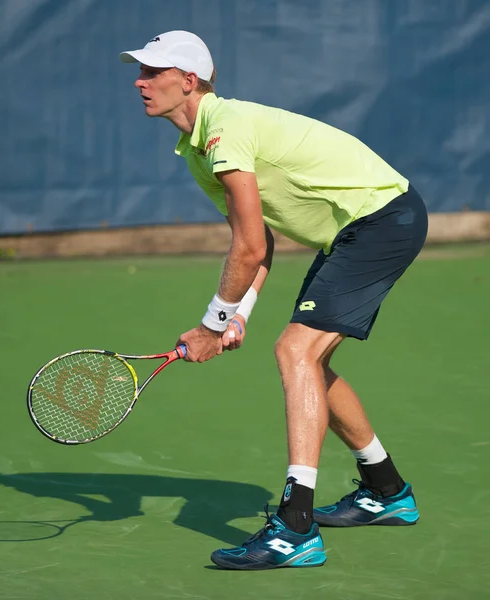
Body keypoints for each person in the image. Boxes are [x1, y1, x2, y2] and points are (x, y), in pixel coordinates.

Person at [120, 30, 427, 570]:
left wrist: (212, 326)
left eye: (152, 73)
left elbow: (250, 245)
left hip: (381, 220)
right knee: (309, 360)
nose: (140, 82)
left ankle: (295, 529)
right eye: (139, 72)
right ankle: (386, 490)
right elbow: (260, 240)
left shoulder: (226, 128)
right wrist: (240, 313)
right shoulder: (199, 150)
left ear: (188, 82)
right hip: (355, 230)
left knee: (295, 352)